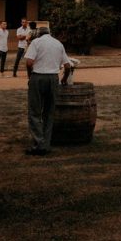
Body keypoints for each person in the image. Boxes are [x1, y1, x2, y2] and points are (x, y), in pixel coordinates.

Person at [23, 27, 72, 155]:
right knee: (49, 112)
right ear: (50, 33)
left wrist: (30, 76)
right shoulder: (58, 44)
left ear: (38, 34)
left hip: (38, 76)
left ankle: (38, 143)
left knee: (35, 112)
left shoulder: (36, 42)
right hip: (53, 78)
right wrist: (64, 79)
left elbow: (29, 63)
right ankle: (46, 144)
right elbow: (67, 66)